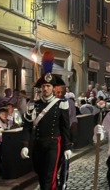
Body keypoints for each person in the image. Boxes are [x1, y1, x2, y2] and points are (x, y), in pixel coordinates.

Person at [20, 51, 72, 190]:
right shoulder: (33, 105)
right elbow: (27, 127)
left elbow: (65, 127)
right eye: (43, 86)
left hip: (53, 144)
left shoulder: (61, 104)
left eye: (48, 86)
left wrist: (67, 146)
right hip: (37, 145)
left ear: (53, 88)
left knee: (49, 176)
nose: (45, 88)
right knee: (41, 175)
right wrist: (25, 145)